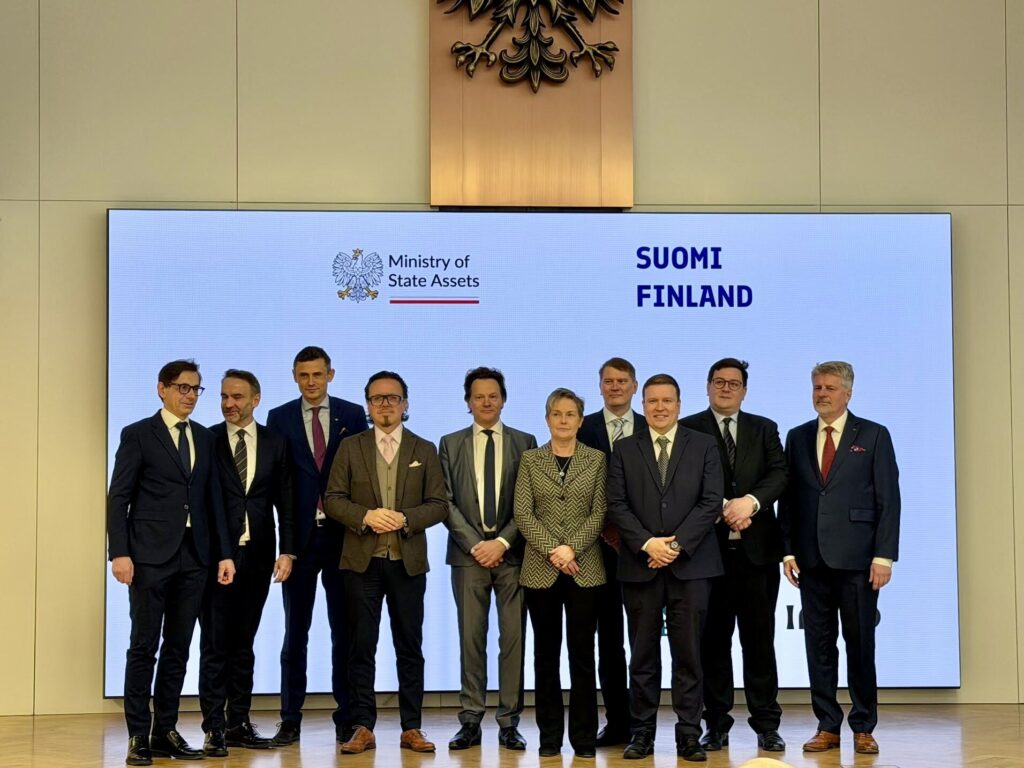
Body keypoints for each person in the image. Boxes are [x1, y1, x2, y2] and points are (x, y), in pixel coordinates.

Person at [107, 359, 235, 766]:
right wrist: (119, 552)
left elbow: (214, 500)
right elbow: (119, 497)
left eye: (196, 389)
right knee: (143, 646)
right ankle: (137, 735)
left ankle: (165, 730)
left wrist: (224, 553)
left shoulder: (206, 438)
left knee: (179, 648)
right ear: (161, 389)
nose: (190, 396)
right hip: (148, 557)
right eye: (183, 387)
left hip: (195, 556)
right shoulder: (138, 434)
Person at [778, 361, 900, 756]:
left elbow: (888, 499)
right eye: (817, 387)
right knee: (819, 646)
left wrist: (884, 556)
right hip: (811, 560)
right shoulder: (797, 436)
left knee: (860, 645)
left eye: (830, 388)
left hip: (859, 560)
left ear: (848, 393)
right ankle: (827, 725)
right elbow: (789, 499)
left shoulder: (874, 434)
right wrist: (788, 550)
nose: (822, 394)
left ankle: (863, 726)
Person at [325, 371, 448, 754]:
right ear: (368, 405)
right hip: (361, 563)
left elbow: (439, 505)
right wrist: (365, 516)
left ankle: (412, 728)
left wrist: (406, 518)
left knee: (409, 647)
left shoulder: (424, 448)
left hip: (407, 563)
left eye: (393, 398)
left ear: (405, 404)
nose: (385, 404)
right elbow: (333, 499)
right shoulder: (350, 447)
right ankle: (363, 726)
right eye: (377, 398)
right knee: (361, 646)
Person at [607, 373, 723, 762]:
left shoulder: (703, 445)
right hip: (640, 565)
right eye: (653, 401)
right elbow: (616, 504)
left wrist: (674, 545)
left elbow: (711, 501)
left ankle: (689, 734)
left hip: (691, 565)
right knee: (642, 656)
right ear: (643, 405)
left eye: (667, 401)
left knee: (688, 655)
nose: (660, 407)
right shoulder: (624, 448)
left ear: (679, 404)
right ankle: (642, 733)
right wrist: (647, 544)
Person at [680, 359, 788, 753]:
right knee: (712, 643)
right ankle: (716, 724)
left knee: (759, 643)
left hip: (757, 555)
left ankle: (767, 725)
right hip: (708, 555)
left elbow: (779, 474)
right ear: (707, 386)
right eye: (719, 382)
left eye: (734, 383)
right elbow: (684, 482)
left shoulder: (764, 428)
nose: (726, 388)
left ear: (744, 390)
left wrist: (751, 503)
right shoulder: (688, 428)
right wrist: (725, 506)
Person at [265, 346, 367, 746]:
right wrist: (285, 545)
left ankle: (347, 718)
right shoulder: (279, 417)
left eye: (317, 374)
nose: (311, 382)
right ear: (294, 377)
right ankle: (290, 719)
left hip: (343, 539)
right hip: (300, 542)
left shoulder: (352, 415)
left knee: (345, 633)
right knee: (295, 633)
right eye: (304, 375)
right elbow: (279, 485)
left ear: (331, 375)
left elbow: (360, 475)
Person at [198, 370, 296, 756]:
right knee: (215, 645)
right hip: (216, 558)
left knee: (244, 644)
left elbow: (286, 501)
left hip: (258, 557)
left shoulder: (275, 442)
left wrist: (287, 551)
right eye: (224, 396)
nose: (229, 404)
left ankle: (238, 723)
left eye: (237, 397)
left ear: (256, 399)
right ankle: (213, 728)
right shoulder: (207, 439)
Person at [439, 367, 537, 751]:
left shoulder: (525, 442)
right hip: (468, 558)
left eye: (493, 395)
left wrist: (503, 543)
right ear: (468, 401)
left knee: (513, 640)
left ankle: (509, 722)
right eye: (478, 396)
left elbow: (530, 502)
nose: (486, 402)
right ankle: (470, 720)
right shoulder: (449, 444)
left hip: (513, 557)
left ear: (503, 399)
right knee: (470, 639)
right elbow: (444, 501)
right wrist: (476, 545)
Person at [514, 387, 607, 759]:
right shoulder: (530, 460)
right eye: (557, 414)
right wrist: (555, 550)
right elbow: (523, 513)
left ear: (580, 421)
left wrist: (572, 548)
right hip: (541, 569)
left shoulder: (596, 459)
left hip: (585, 569)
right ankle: (549, 738)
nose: (563, 420)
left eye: (570, 414)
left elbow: (599, 512)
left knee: (583, 656)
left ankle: (584, 739)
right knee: (545, 656)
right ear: (547, 419)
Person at [576, 357, 645, 747]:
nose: (615, 387)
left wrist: (635, 534)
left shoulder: (653, 426)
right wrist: (605, 529)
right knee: (609, 641)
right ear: (600, 386)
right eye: (608, 381)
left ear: (634, 385)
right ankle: (618, 722)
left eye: (622, 381)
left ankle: (644, 722)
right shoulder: (581, 428)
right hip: (596, 548)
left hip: (644, 549)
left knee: (644, 639)